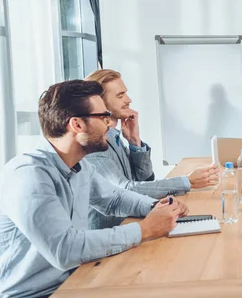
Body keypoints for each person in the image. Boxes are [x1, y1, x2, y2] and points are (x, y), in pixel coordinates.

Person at [0, 80, 187, 297]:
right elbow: (65, 250)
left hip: (77, 280)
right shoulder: (29, 175)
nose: (109, 124)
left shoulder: (80, 166)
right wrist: (145, 229)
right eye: (103, 117)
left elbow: (114, 199)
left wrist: (158, 206)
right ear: (77, 125)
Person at [82, 69, 219, 229]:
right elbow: (125, 189)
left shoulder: (115, 137)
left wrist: (135, 142)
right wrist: (187, 181)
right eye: (120, 96)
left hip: (133, 222)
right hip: (112, 233)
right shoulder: (95, 144)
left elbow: (145, 179)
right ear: (99, 102)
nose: (129, 100)